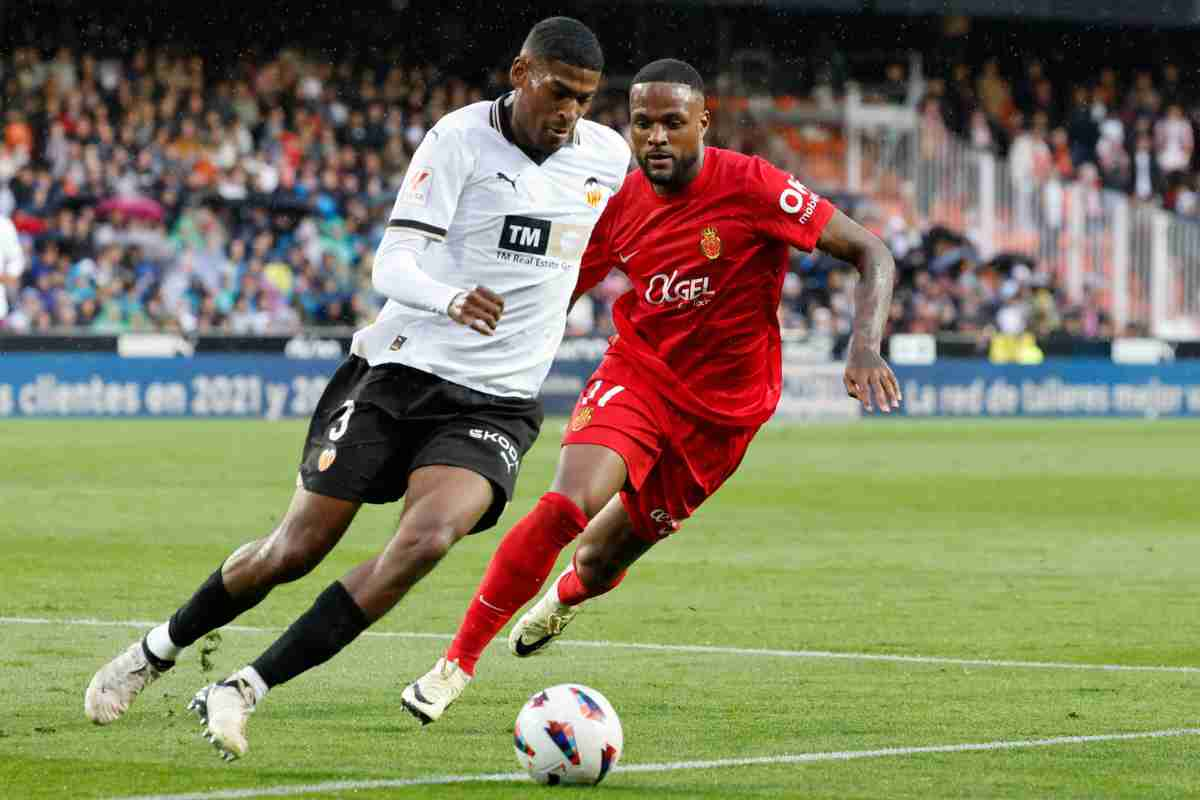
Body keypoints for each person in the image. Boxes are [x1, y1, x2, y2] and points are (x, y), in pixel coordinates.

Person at [83, 16, 632, 761]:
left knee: (428, 539)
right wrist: (450, 298)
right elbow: (393, 263)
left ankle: (243, 688)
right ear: (520, 74)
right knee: (294, 548)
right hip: (401, 372)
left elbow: (620, 235)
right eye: (559, 93)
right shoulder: (459, 140)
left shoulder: (606, 155)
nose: (571, 113)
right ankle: (158, 648)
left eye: (585, 100)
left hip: (497, 401)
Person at [401, 58, 901, 724]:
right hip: (638, 376)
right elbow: (559, 291)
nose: (656, 137)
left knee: (601, 560)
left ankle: (565, 598)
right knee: (567, 505)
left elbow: (872, 251)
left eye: (672, 122)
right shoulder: (623, 205)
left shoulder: (755, 187)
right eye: (642, 124)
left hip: (725, 416)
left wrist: (864, 342)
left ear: (703, 122)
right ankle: (454, 665)